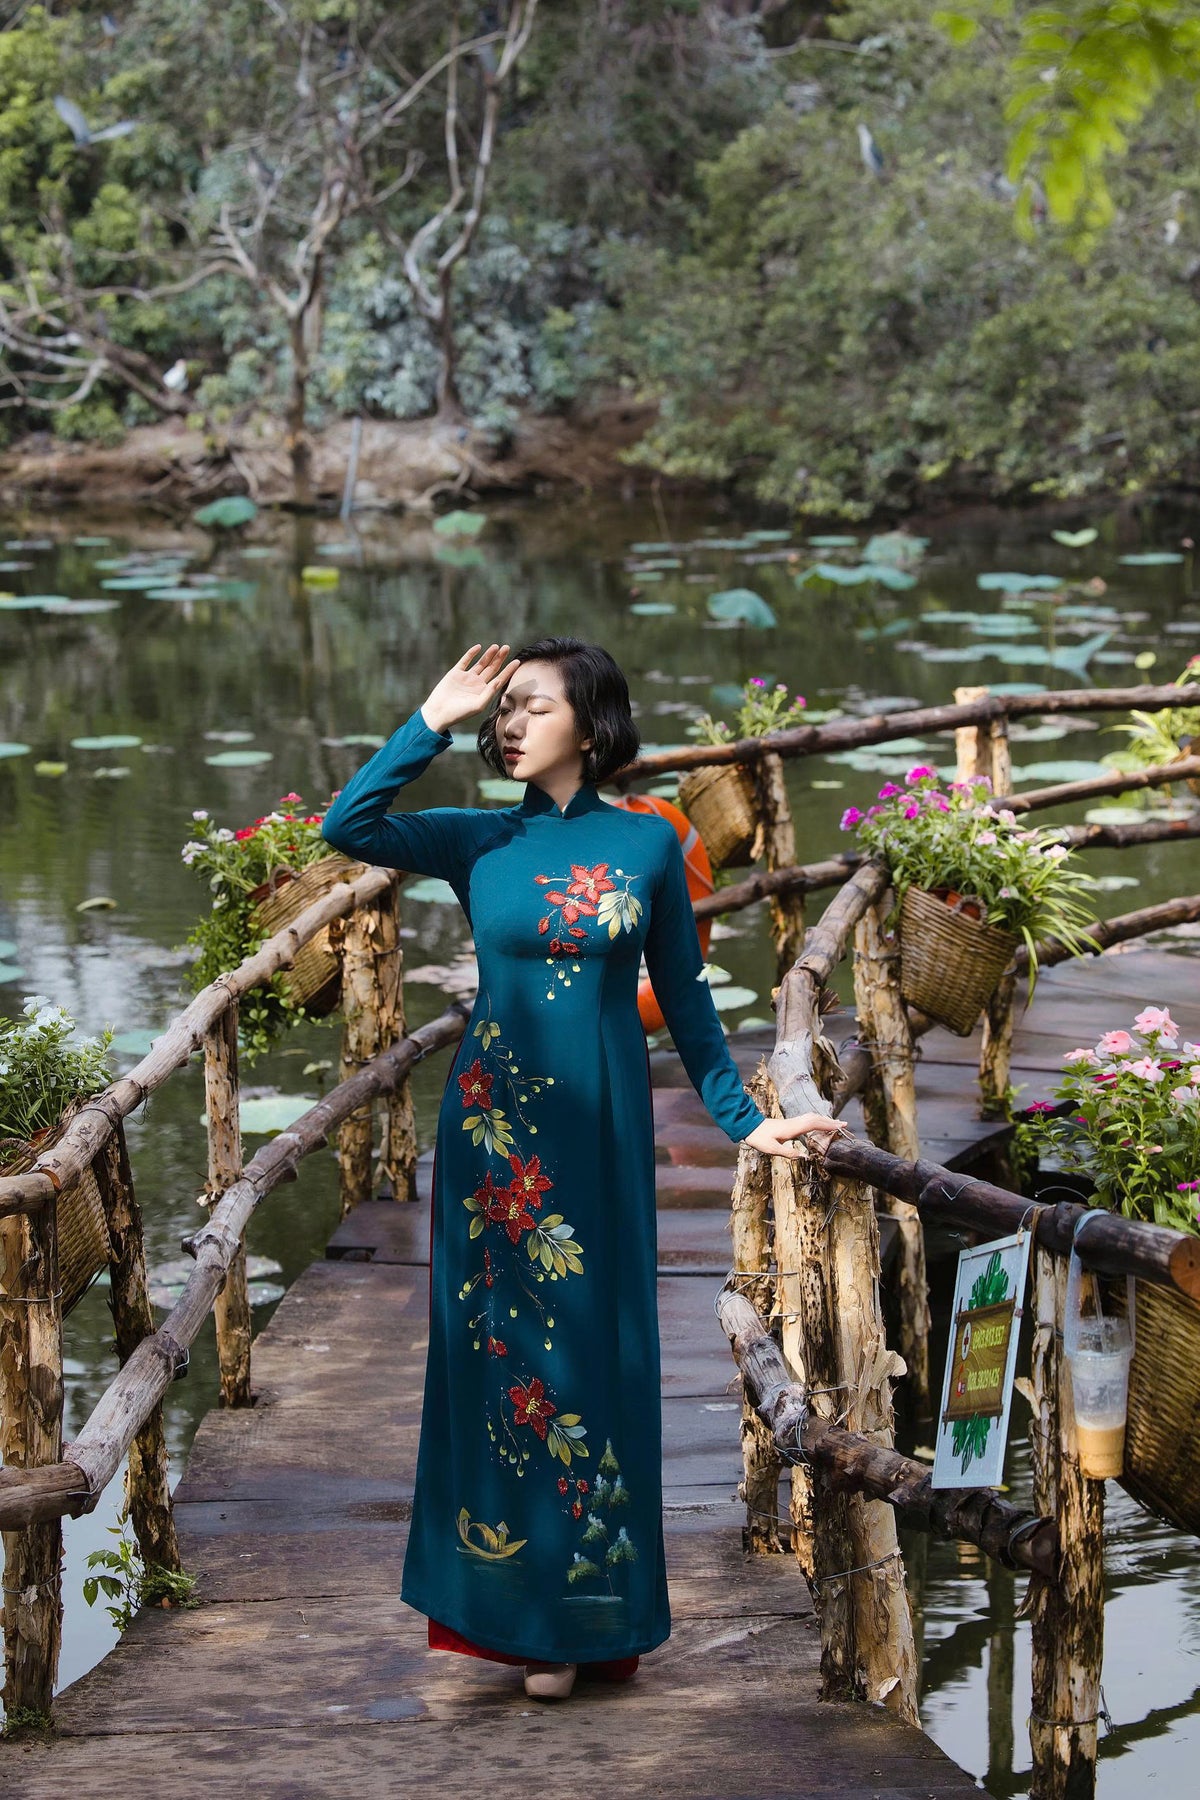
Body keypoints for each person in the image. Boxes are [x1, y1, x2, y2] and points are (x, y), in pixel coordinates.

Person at [321, 638, 849, 1702]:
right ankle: (507, 1616)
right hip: (492, 1141)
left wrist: (746, 1121)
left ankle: (582, 1614)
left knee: (593, 1362)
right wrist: (430, 719)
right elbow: (348, 827)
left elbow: (688, 1004)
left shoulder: (651, 845)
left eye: (534, 707)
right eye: (502, 711)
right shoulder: (479, 841)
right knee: (498, 1365)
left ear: (593, 726)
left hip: (599, 1141)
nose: (510, 725)